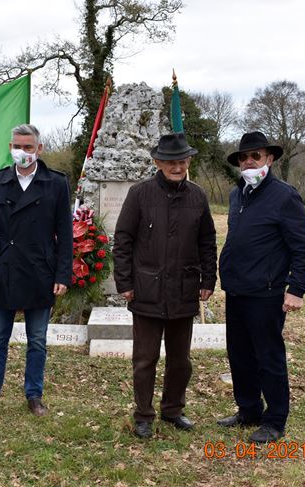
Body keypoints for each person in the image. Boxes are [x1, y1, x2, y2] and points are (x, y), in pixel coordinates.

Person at [113, 133, 218, 439]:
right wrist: (125, 282)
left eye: (182, 160)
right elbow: (123, 240)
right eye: (171, 161)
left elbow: (207, 241)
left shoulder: (198, 196)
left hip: (184, 291)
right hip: (146, 290)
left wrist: (208, 279)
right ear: (158, 162)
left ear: (189, 162)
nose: (177, 166)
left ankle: (173, 409)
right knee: (145, 359)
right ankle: (144, 414)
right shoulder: (140, 194)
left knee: (180, 361)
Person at [0, 124, 73, 418]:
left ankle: (34, 396)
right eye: (17, 146)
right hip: (4, 271)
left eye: (28, 147)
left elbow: (65, 234)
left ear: (40, 149)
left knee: (37, 340)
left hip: (41, 271)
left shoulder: (56, 183)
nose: (22, 152)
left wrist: (63, 274)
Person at [217, 131, 305, 443]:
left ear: (269, 159)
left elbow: (304, 248)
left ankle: (274, 420)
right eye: (244, 157)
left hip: (268, 292)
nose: (249, 161)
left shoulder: (285, 196)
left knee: (268, 357)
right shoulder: (237, 195)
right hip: (236, 289)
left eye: (255, 156)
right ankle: (248, 409)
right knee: (240, 355)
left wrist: (296, 289)